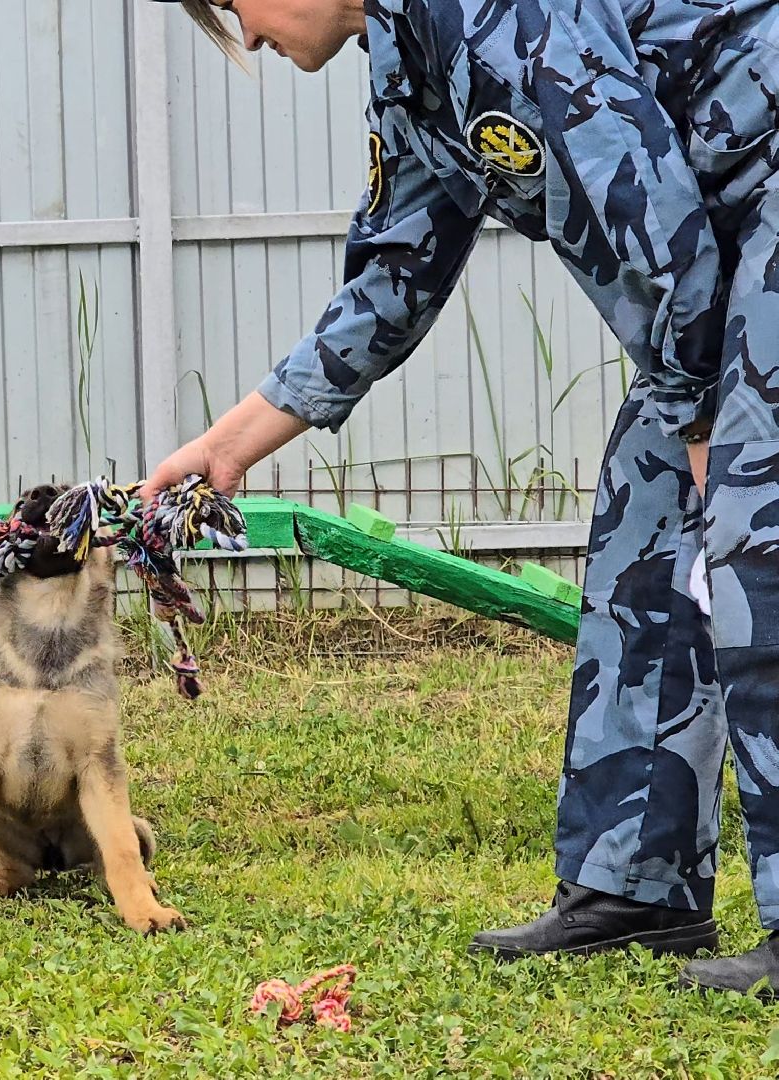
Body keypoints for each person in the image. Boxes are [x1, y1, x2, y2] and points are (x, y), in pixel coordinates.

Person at [145, 0, 779, 999]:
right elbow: (396, 275)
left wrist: (704, 427)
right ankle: (636, 886)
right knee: (645, 528)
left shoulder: (497, 16)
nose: (248, 38)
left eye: (233, 6)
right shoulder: (414, 72)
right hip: (718, 253)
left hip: (760, 200)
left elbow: (650, 215)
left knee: (757, 528)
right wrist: (227, 448)